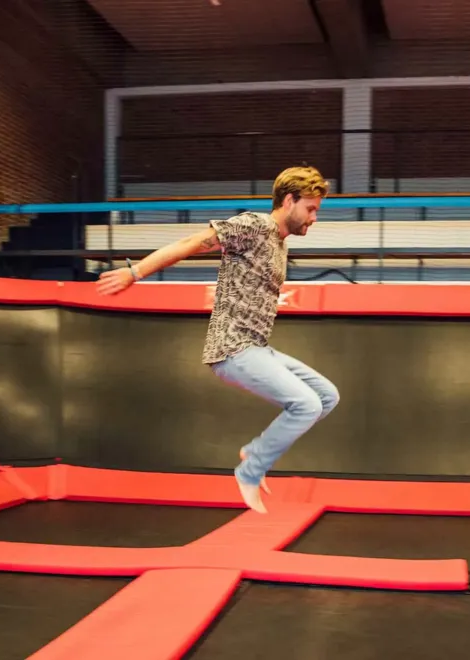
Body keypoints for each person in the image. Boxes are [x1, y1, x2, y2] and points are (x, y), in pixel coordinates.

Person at [96, 166, 340, 513]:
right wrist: (135, 273)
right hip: (233, 348)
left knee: (327, 396)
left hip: (258, 347)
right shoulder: (255, 225)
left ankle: (256, 453)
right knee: (306, 404)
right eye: (311, 209)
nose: (315, 218)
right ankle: (250, 469)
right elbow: (190, 243)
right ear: (289, 201)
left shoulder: (280, 243)